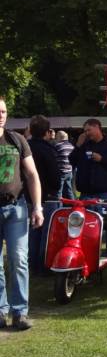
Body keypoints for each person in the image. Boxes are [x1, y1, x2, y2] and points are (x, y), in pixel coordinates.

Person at [0, 96, 44, 330]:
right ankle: (0, 310)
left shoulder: (17, 140)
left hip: (16, 207)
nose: (1, 115)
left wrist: (37, 206)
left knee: (18, 259)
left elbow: (32, 175)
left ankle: (19, 312)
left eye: (4, 111)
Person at [69, 118, 107, 259]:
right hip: (86, 194)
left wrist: (102, 160)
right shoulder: (84, 145)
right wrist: (78, 145)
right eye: (85, 131)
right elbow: (72, 161)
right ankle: (87, 253)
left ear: (97, 127)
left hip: (104, 193)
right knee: (85, 226)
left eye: (88, 130)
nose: (87, 133)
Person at [26, 115, 61, 274]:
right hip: (47, 197)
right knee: (47, 234)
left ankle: (32, 265)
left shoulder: (24, 146)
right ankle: (42, 266)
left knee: (32, 233)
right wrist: (55, 188)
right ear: (47, 132)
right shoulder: (48, 150)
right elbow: (55, 175)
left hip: (27, 196)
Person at [54, 130, 74, 199]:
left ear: (59, 137)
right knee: (69, 190)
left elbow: (53, 157)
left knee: (58, 192)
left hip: (61, 171)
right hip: (69, 171)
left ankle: (59, 208)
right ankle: (74, 205)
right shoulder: (71, 146)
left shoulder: (58, 146)